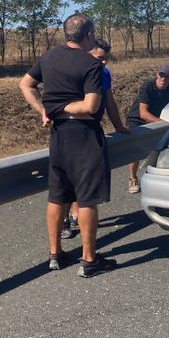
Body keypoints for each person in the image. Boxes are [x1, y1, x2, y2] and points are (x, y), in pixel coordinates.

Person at [18, 13, 117, 278]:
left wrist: (44, 110)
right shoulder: (91, 65)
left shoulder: (49, 57)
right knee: (86, 198)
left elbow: (25, 84)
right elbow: (91, 107)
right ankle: (89, 259)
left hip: (59, 136)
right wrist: (62, 109)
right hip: (84, 137)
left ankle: (55, 254)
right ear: (89, 35)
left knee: (58, 194)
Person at [61, 38, 129, 240]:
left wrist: (118, 126)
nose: (104, 62)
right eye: (100, 58)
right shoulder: (74, 72)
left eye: (106, 58)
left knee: (85, 181)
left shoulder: (104, 73)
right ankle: (66, 221)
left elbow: (109, 101)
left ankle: (76, 216)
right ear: (87, 55)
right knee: (68, 181)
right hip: (70, 131)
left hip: (92, 130)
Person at [125, 64, 169, 193]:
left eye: (167, 77)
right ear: (157, 75)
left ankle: (161, 178)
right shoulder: (148, 86)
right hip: (137, 120)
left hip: (158, 119)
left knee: (168, 145)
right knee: (135, 150)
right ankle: (133, 178)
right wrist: (164, 123)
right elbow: (143, 113)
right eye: (161, 75)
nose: (163, 79)